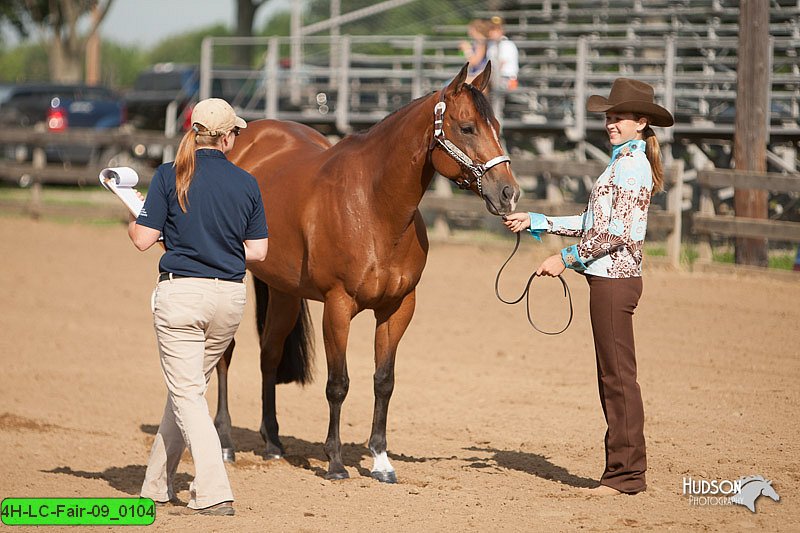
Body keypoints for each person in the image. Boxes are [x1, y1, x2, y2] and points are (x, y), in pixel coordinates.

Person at [504, 78, 674, 496]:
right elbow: (591, 225)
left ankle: (626, 475)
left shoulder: (631, 168)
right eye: (609, 117)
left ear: (641, 123)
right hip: (609, 279)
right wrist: (538, 221)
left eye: (619, 118)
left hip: (614, 281)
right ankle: (624, 471)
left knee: (617, 378)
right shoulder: (621, 163)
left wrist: (562, 260)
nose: (611, 124)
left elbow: (614, 233)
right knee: (613, 376)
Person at [129, 98, 269, 516]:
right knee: (186, 390)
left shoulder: (170, 175)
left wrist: (136, 218)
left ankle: (214, 490)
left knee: (188, 394)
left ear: (194, 132)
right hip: (228, 300)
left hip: (181, 299)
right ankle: (155, 485)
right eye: (236, 133)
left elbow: (142, 239)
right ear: (226, 137)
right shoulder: (247, 182)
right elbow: (258, 251)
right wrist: (218, 249)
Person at [485, 17, 519, 92]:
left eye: (495, 29)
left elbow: (499, 65)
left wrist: (486, 77)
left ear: (502, 30)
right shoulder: (491, 45)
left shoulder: (507, 44)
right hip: (496, 77)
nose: (491, 32)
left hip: (507, 79)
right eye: (491, 29)